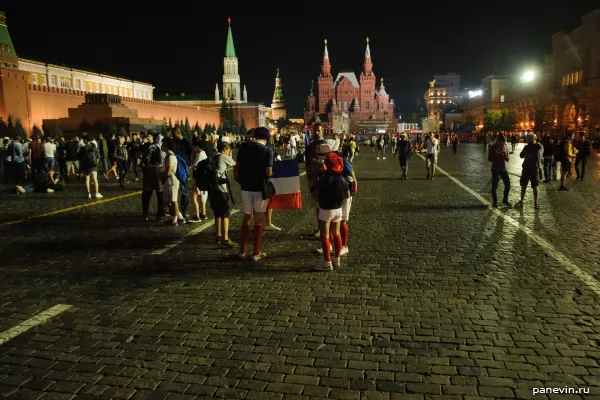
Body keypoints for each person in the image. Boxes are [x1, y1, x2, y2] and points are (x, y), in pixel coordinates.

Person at [235, 127, 273, 262]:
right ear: (266, 138)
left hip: (245, 187)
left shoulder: (244, 147)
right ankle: (256, 252)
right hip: (259, 188)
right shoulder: (267, 150)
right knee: (258, 220)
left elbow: (237, 166)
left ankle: (242, 251)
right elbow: (268, 172)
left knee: (246, 218)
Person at [315, 141, 349, 271]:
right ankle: (337, 258)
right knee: (337, 233)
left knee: (325, 235)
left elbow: (317, 192)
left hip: (326, 209)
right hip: (338, 209)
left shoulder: (324, 178)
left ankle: (326, 262)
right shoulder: (342, 178)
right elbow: (347, 194)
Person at [208, 142, 236, 247]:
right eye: (228, 150)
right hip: (221, 189)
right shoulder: (224, 157)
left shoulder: (214, 156)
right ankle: (225, 239)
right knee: (225, 214)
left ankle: (218, 236)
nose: (229, 152)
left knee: (217, 213)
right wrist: (230, 156)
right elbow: (235, 164)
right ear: (225, 149)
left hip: (212, 189)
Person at [141, 134, 165, 221]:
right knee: (160, 194)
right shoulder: (164, 148)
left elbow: (145, 159)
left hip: (149, 171)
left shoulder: (151, 147)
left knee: (147, 193)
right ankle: (160, 214)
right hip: (160, 171)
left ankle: (145, 214)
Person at [161, 137, 185, 226]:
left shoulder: (171, 157)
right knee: (168, 201)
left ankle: (174, 221)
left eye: (163, 145)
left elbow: (168, 171)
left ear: (167, 146)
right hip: (169, 180)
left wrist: (159, 175)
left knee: (173, 200)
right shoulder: (168, 155)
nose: (161, 146)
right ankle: (179, 217)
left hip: (172, 180)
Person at [516, 133, 543, 208]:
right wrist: (528, 155)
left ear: (535, 138)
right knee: (523, 185)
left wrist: (527, 155)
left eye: (530, 138)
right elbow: (521, 155)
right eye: (528, 138)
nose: (528, 140)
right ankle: (521, 201)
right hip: (526, 168)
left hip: (534, 169)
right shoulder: (526, 147)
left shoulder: (539, 146)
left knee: (535, 186)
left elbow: (536, 154)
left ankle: (536, 203)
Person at [488, 134, 511, 207]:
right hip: (495, 168)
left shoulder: (505, 147)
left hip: (503, 168)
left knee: (507, 185)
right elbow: (489, 159)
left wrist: (506, 157)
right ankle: (495, 201)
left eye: (504, 142)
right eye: (503, 142)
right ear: (499, 141)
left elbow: (507, 158)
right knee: (495, 186)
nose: (504, 144)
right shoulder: (493, 147)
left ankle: (505, 200)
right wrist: (495, 156)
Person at [78, 134, 103, 199]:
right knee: (95, 179)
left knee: (87, 180)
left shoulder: (82, 149)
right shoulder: (94, 148)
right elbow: (98, 157)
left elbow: (79, 158)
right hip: (93, 166)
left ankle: (88, 194)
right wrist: (95, 163)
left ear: (85, 140)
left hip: (85, 166)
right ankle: (97, 193)